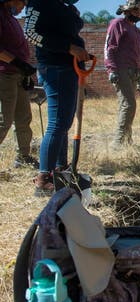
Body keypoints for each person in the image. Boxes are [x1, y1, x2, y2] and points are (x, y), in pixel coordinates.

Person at [24, 0, 92, 196]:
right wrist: (70, 47)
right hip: (56, 68)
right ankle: (44, 178)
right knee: (57, 123)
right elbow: (30, 33)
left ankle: (60, 170)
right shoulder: (39, 2)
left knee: (64, 122)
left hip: (69, 68)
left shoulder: (61, 6)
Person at [0, 0, 39, 169]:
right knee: (4, 120)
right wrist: (18, 63)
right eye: (22, 2)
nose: (23, 7)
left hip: (18, 75)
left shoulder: (12, 18)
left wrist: (25, 71)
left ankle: (23, 157)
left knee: (23, 119)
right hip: (4, 75)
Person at [104, 0, 140, 147]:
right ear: (128, 11)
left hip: (133, 72)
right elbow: (109, 47)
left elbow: (136, 54)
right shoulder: (117, 24)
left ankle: (127, 141)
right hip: (120, 70)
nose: (138, 14)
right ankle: (118, 143)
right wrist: (111, 69)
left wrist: (139, 74)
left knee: (129, 106)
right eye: (136, 11)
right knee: (128, 105)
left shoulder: (136, 31)